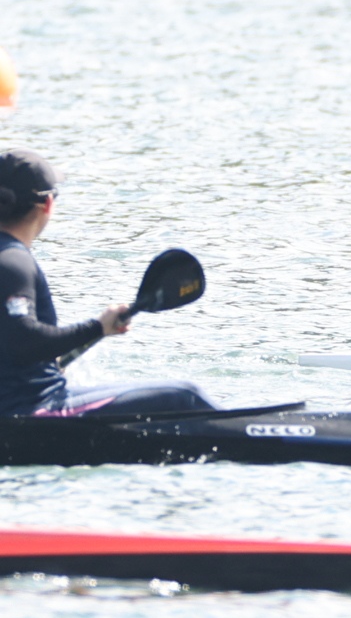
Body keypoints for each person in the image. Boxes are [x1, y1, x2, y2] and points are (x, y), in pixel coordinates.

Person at [0, 150, 211, 418]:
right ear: (48, 204)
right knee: (184, 396)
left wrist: (53, 359)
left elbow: (11, 343)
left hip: (22, 405)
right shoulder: (12, 261)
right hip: (30, 411)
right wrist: (97, 327)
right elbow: (23, 342)